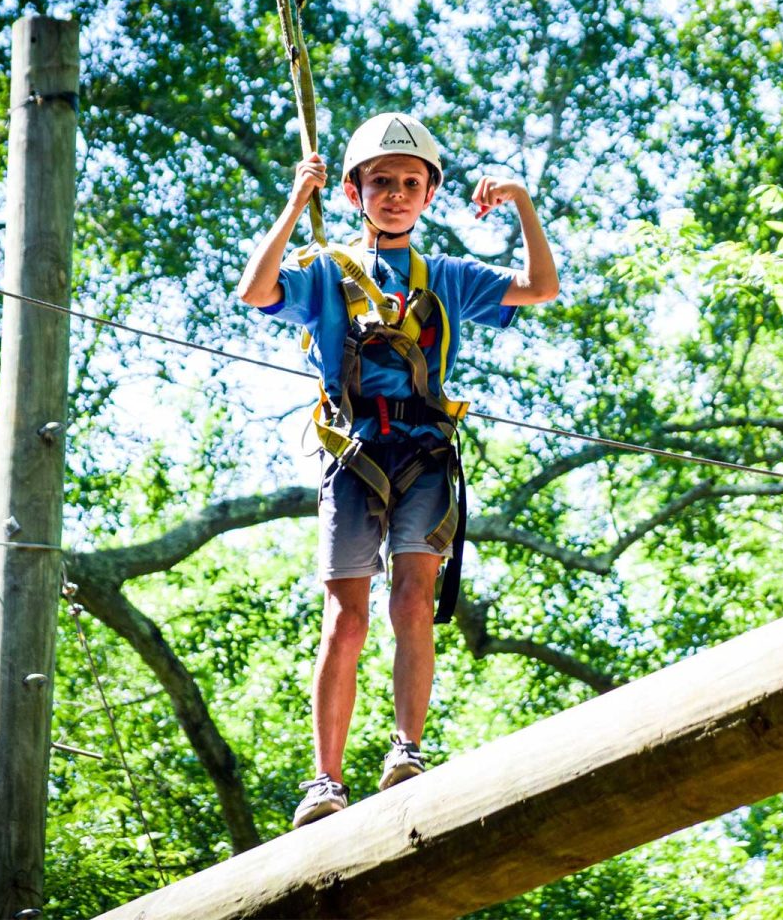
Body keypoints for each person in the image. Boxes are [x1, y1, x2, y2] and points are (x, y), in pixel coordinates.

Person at [238, 112, 558, 828]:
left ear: (428, 197)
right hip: (353, 457)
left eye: (411, 183)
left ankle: (407, 747)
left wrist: (522, 202)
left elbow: (540, 288)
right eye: (381, 182)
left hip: (423, 453)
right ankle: (325, 780)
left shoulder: (444, 276)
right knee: (345, 617)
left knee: (413, 598)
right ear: (355, 193)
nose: (396, 194)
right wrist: (295, 203)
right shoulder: (327, 272)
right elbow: (255, 292)